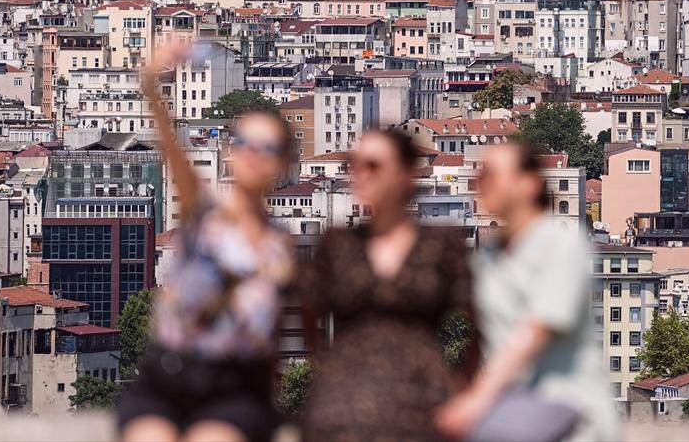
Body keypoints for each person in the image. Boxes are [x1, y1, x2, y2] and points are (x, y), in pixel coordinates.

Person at [120, 40, 294, 442]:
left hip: (235, 387)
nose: (253, 154)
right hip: (169, 375)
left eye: (266, 147)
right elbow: (174, 151)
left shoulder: (280, 244)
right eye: (244, 143)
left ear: (282, 162)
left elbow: (273, 334)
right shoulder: (204, 211)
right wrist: (150, 82)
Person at [436, 142, 619, 442]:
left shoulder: (562, 244)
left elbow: (535, 331)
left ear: (528, 183)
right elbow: (480, 341)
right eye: (480, 176)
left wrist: (478, 400)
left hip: (564, 402)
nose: (482, 185)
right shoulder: (487, 258)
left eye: (492, 175)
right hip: (512, 404)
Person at [299, 128, 474, 442]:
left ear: (405, 173)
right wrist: (327, 372)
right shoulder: (337, 244)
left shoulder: (441, 244)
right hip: (343, 404)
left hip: (422, 402)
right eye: (355, 164)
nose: (360, 174)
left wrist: (463, 392)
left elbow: (477, 323)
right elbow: (308, 316)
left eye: (374, 165)